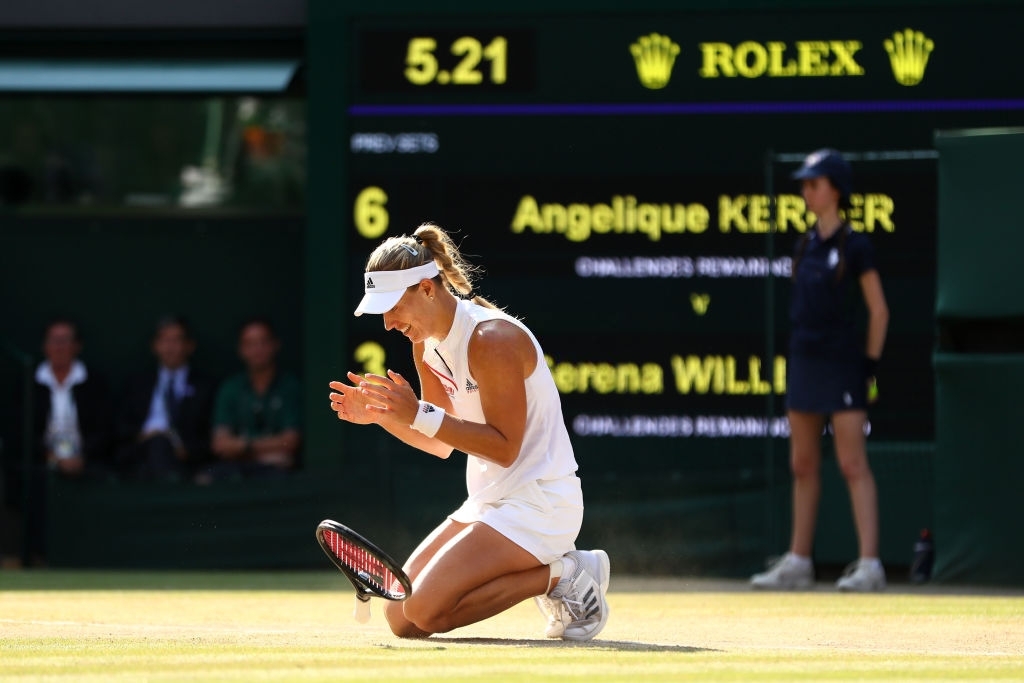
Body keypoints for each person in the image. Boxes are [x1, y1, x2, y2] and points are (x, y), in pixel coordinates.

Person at [327, 223, 610, 640]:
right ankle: (556, 572)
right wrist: (387, 416)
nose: (387, 323)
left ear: (426, 288)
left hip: (541, 504)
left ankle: (563, 573)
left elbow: (506, 449)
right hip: (489, 501)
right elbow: (441, 442)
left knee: (423, 607)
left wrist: (416, 412)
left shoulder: (492, 338)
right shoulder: (425, 344)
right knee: (402, 620)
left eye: (393, 307)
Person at [751, 149, 890, 592]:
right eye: (805, 184)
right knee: (802, 463)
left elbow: (879, 311)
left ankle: (870, 564)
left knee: (852, 463)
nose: (807, 191)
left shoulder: (856, 246)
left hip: (845, 364)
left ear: (835, 189)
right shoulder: (806, 243)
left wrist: (867, 366)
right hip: (805, 362)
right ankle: (799, 561)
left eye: (815, 183)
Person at [1, 318, 113, 566]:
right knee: (30, 481)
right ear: (45, 346)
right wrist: (52, 457)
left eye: (65, 341)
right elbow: (19, 432)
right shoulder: (27, 382)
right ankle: (36, 556)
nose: (60, 347)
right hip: (42, 461)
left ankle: (90, 557)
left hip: (87, 460)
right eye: (54, 341)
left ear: (77, 346)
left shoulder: (94, 382)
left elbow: (105, 430)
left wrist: (81, 457)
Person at [195, 317, 301, 484]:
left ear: (275, 345)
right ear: (241, 349)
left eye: (263, 342)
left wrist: (241, 447)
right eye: (249, 344)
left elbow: (291, 441)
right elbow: (220, 444)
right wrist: (257, 449)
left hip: (276, 473)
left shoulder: (290, 386)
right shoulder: (230, 387)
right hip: (239, 467)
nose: (257, 350)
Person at [114, 315, 216, 482]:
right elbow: (121, 427)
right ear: (155, 346)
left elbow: (210, 434)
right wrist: (144, 436)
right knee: (157, 444)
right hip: (141, 453)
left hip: (186, 459)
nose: (170, 347)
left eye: (176, 340)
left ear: (189, 346)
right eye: (164, 340)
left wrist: (186, 449)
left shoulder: (206, 386)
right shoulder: (137, 383)